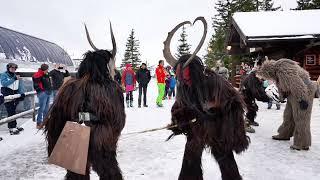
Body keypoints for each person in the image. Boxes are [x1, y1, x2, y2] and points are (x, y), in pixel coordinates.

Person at [163, 17, 248, 180]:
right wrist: (178, 120)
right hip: (196, 131)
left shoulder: (214, 81)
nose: (183, 81)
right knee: (190, 162)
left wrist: (213, 108)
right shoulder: (184, 86)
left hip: (218, 130)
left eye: (186, 76)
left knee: (226, 160)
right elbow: (180, 105)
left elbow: (234, 102)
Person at [257, 59, 317, 151]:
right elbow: (281, 85)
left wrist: (302, 99)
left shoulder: (283, 69)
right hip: (292, 92)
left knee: (301, 117)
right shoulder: (277, 72)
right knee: (288, 115)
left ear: (269, 72)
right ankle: (285, 134)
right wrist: (282, 97)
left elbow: (296, 83)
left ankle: (302, 142)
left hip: (305, 90)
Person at [0, 63, 25, 135]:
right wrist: (13, 79)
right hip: (7, 93)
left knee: (13, 111)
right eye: (11, 68)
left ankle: (14, 125)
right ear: (8, 68)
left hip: (15, 94)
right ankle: (11, 128)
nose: (13, 69)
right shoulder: (4, 75)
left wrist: (21, 93)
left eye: (14, 68)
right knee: (10, 111)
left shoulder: (16, 75)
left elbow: (20, 85)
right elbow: (4, 83)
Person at [32, 64, 52, 129]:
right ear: (44, 69)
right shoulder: (38, 74)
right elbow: (36, 85)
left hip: (48, 92)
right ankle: (39, 123)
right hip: (43, 93)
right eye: (46, 69)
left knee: (46, 109)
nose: (47, 71)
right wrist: (41, 91)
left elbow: (48, 83)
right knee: (42, 108)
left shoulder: (46, 74)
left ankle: (45, 122)